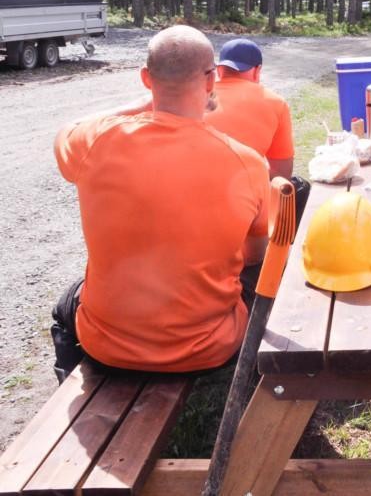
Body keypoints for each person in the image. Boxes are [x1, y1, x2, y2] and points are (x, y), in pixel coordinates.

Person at [51, 25, 270, 381]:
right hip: (209, 348)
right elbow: (256, 255)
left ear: (145, 78)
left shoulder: (96, 141)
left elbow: (70, 128)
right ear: (211, 80)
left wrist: (143, 105)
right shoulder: (247, 162)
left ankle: (74, 384)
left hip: (106, 348)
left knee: (67, 302)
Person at [205, 37, 310, 222]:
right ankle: (278, 247)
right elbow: (281, 173)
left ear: (219, 70)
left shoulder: (197, 96)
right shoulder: (275, 102)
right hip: (242, 202)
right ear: (257, 71)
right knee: (299, 188)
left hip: (195, 192)